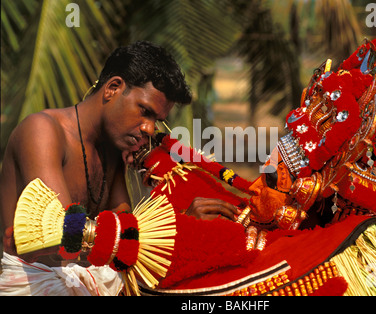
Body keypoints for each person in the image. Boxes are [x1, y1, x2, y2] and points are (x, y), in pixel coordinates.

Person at [0, 41, 238, 295]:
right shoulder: (42, 130)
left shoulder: (113, 147)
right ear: (113, 88)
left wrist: (179, 218)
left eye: (156, 120)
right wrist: (178, 228)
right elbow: (67, 236)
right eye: (144, 111)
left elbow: (126, 228)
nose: (149, 128)